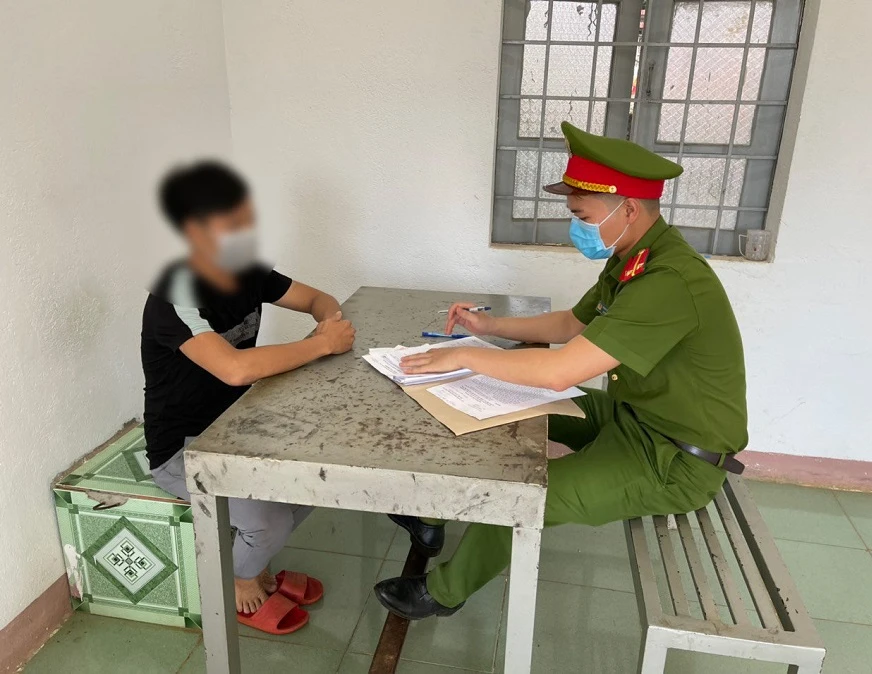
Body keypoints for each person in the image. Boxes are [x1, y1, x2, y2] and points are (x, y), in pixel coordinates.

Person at [375, 122, 748, 619]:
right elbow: (572, 322)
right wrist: (489, 327)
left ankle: (442, 594)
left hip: (673, 460)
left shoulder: (669, 280)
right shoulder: (635, 257)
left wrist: (465, 355)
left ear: (628, 209)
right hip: (632, 418)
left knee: (519, 496)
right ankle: (430, 519)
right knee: (501, 402)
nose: (576, 228)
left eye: (581, 216)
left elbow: (560, 371)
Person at [142, 161, 355, 634]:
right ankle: (240, 578)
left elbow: (318, 298)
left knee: (313, 482)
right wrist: (321, 345)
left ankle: (255, 562)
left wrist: (328, 322)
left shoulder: (249, 273)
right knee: (270, 522)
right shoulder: (174, 298)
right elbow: (234, 369)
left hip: (237, 429)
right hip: (183, 449)